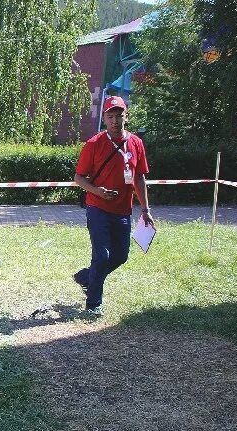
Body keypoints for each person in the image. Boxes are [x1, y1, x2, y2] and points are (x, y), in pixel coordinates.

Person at [72, 95, 154, 315]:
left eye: (120, 116)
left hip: (123, 210)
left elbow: (139, 178)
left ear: (126, 116)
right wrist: (97, 191)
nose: (116, 121)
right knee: (102, 255)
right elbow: (79, 178)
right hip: (97, 208)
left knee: (121, 256)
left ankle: (87, 277)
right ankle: (93, 304)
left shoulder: (136, 143)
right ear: (105, 119)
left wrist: (145, 210)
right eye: (111, 116)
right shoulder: (94, 144)